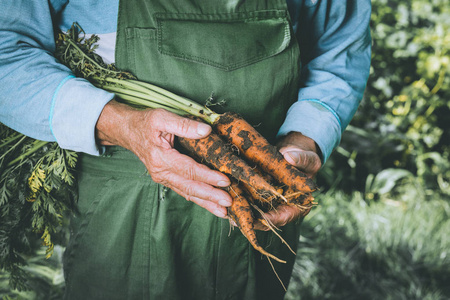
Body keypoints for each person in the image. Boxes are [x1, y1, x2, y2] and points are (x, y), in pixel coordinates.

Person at [0, 0, 371, 299]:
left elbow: (340, 49)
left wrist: (305, 137)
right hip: (124, 196)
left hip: (264, 190)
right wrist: (119, 123)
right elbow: (7, 50)